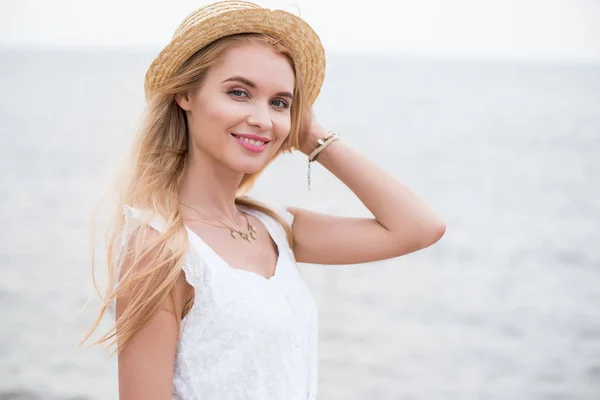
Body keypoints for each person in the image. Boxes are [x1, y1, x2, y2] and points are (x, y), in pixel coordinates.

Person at [82, 1, 446, 399]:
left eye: (279, 103)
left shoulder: (275, 231)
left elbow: (420, 228)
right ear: (186, 94)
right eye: (239, 93)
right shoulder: (159, 247)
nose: (262, 118)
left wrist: (315, 139)